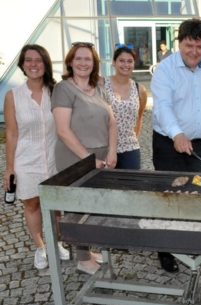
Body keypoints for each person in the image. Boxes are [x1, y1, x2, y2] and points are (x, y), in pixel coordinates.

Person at [150, 18, 201, 273]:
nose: (194, 52)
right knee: (169, 195)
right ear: (179, 43)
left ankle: (193, 241)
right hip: (168, 143)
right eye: (189, 45)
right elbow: (163, 106)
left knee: (198, 190)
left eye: (199, 46)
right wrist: (177, 134)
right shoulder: (165, 69)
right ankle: (166, 249)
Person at [51, 42, 117, 275]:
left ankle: (87, 251)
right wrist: (89, 159)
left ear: (94, 63)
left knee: (94, 205)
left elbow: (111, 121)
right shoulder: (63, 89)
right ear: (70, 61)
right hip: (75, 157)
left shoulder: (98, 87)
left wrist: (112, 150)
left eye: (87, 59)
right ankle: (81, 258)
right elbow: (62, 130)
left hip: (100, 156)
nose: (83, 63)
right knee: (76, 208)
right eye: (78, 58)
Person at [2, 44, 70, 270]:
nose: (33, 64)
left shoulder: (57, 91)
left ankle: (58, 243)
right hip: (26, 160)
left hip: (54, 158)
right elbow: (11, 133)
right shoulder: (13, 96)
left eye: (38, 60)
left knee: (57, 206)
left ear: (46, 64)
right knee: (31, 204)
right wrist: (9, 168)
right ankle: (41, 247)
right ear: (22, 65)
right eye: (29, 60)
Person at [104, 45, 147, 169]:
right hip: (106, 147)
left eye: (130, 61)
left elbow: (139, 118)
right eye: (121, 61)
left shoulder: (140, 89)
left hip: (130, 148)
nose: (125, 65)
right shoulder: (102, 85)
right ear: (114, 63)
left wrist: (134, 139)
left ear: (134, 64)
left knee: (131, 186)